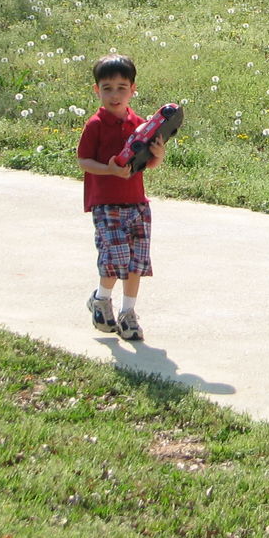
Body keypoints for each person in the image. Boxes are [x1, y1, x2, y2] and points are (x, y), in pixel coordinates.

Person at [77, 53, 165, 342]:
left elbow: (145, 163)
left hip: (137, 203)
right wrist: (109, 171)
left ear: (133, 89)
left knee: (136, 262)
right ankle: (102, 300)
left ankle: (128, 313)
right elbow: (84, 161)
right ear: (97, 90)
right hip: (106, 203)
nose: (115, 95)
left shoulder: (141, 125)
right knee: (116, 257)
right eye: (107, 88)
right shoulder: (95, 125)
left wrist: (157, 155)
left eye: (121, 88)